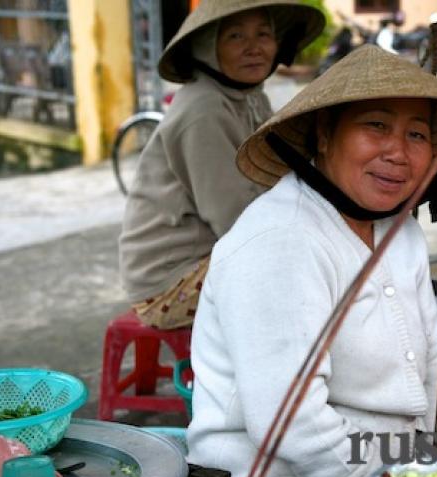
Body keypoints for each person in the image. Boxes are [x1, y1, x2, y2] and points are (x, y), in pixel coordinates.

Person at [187, 45, 437, 477]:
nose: (398, 152)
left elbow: (433, 359)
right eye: (376, 126)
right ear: (324, 134)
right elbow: (295, 428)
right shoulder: (281, 241)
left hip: (394, 462)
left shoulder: (399, 231)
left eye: (416, 134)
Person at [118, 0, 325, 330]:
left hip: (211, 253)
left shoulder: (249, 96)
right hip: (168, 283)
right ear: (207, 48)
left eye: (263, 34)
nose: (254, 48)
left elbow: (280, 168)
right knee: (302, 275)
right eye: (235, 37)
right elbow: (236, 219)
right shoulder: (204, 111)